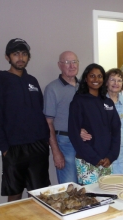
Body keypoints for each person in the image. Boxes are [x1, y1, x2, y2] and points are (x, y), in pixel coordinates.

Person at [0, 38, 50, 202]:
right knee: (14, 193)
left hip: (38, 146)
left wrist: (45, 140)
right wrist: (4, 147)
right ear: (8, 57)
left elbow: (41, 112)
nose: (20, 57)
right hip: (13, 148)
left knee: (39, 194)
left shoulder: (32, 81)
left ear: (28, 57)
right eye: (15, 54)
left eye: (24, 54)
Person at [68, 63, 121, 185]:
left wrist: (111, 156)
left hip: (107, 160)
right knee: (91, 199)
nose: (96, 79)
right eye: (92, 76)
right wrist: (94, 158)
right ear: (86, 78)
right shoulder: (78, 102)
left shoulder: (108, 102)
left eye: (100, 76)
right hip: (87, 161)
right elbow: (74, 134)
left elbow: (116, 131)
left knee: (107, 196)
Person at [44, 51, 79, 184]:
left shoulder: (84, 87)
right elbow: (48, 122)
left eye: (74, 62)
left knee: (88, 186)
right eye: (67, 62)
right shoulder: (52, 89)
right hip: (65, 142)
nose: (71, 66)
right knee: (70, 187)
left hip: (84, 142)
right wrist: (56, 152)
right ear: (59, 65)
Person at [106, 68, 123, 174]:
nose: (116, 83)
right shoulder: (101, 101)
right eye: (112, 79)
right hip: (106, 149)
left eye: (119, 80)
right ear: (106, 82)